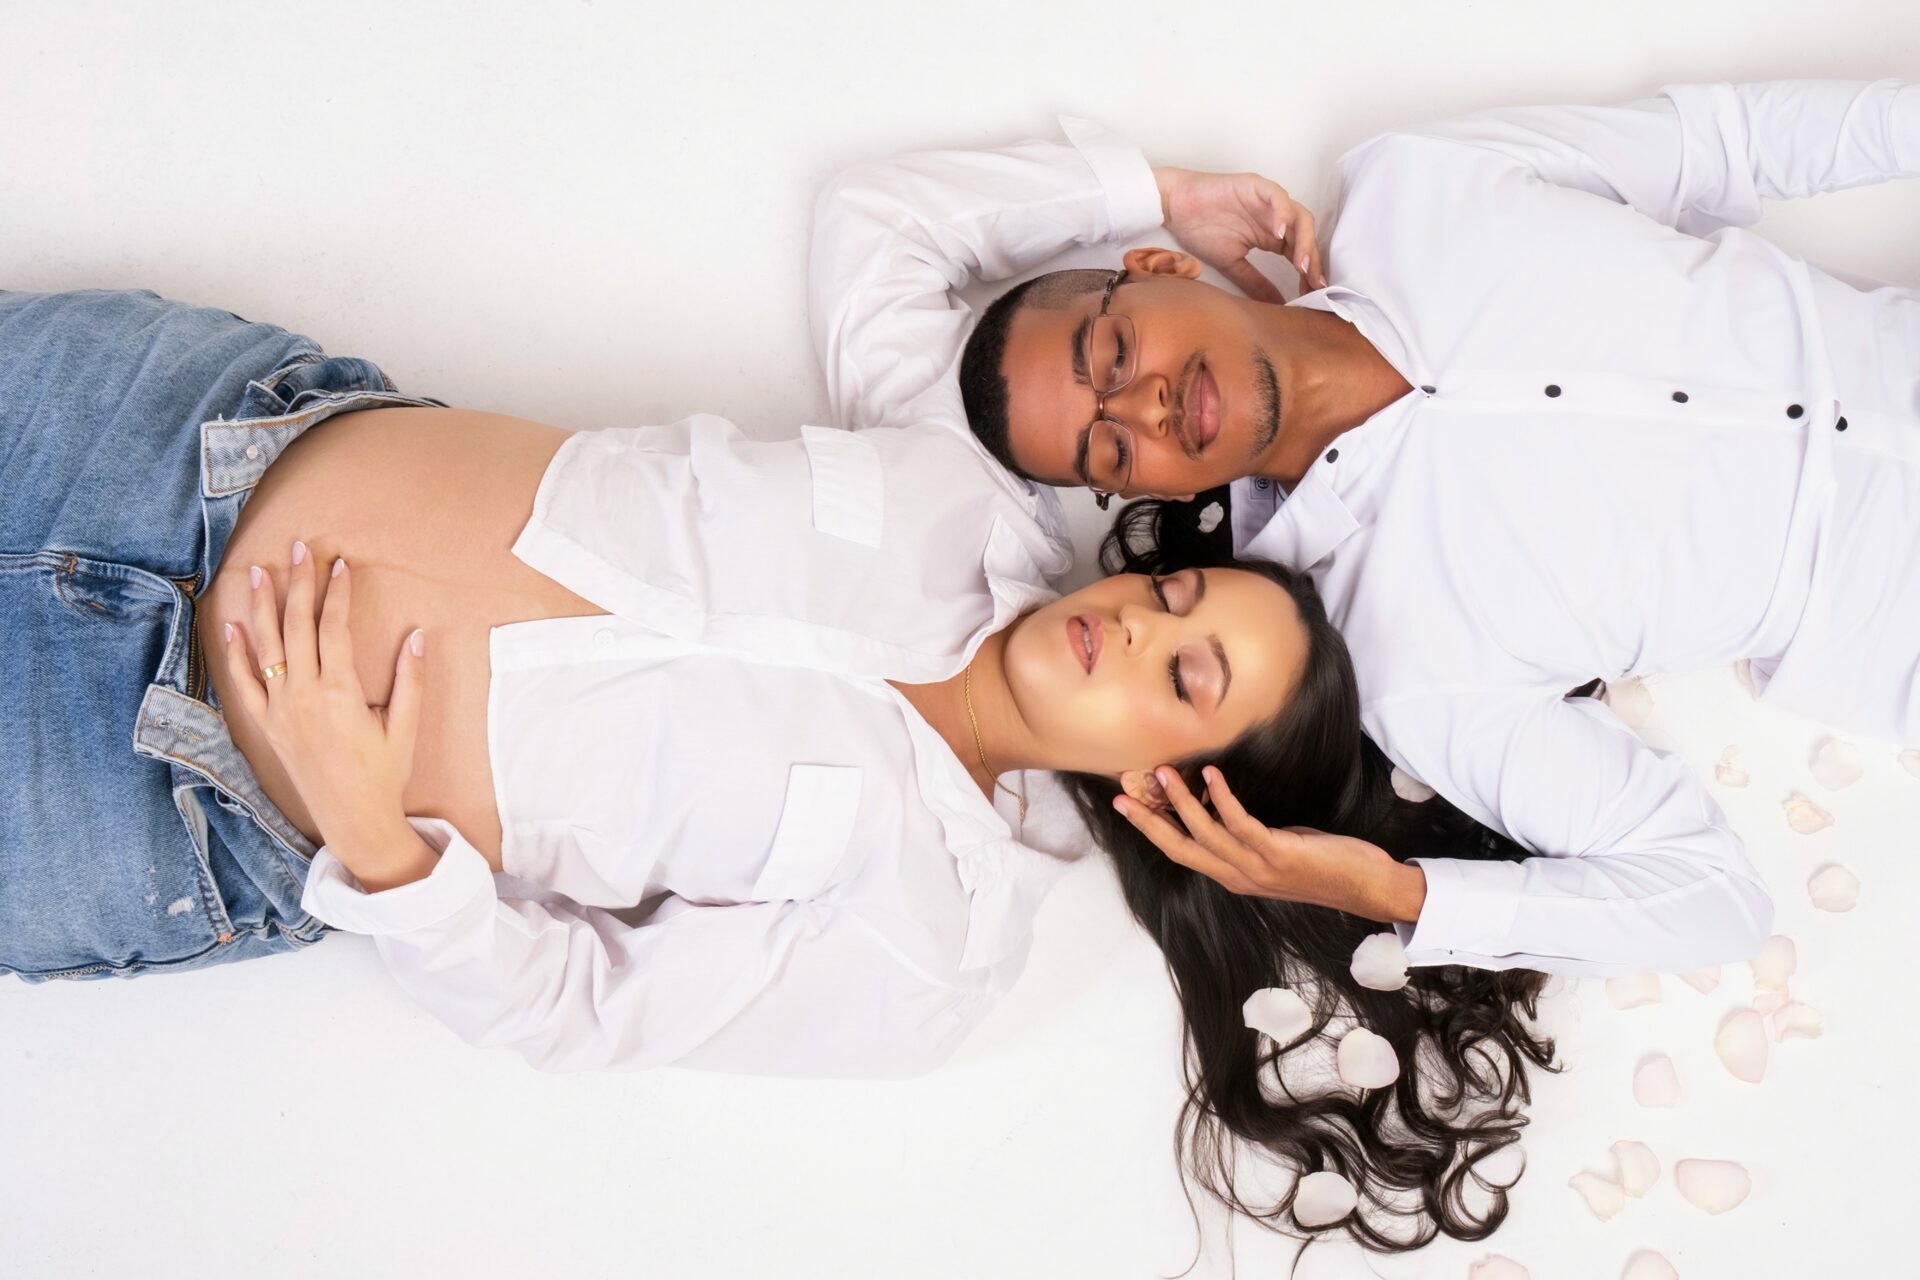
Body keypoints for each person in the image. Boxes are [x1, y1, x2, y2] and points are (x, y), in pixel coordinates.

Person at [2, 285, 1556, 1246]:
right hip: (165, 428)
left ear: (1180, 790)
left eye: (1185, 676)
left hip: (143, 791)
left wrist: (373, 837)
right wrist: (1158, 201)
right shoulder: (967, 489)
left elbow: (580, 1009)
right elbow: (898, 240)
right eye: (1176, 595)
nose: (1135, 624)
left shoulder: (935, 948)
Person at [816, 79, 1920, 979]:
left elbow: (1727, 145)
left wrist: (1156, 187)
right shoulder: (1411, 668)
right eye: (1108, 451)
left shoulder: (1420, 183)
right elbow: (1713, 900)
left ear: (1153, 266)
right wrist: (1386, 892)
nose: (1143, 407)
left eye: (1112, 355)